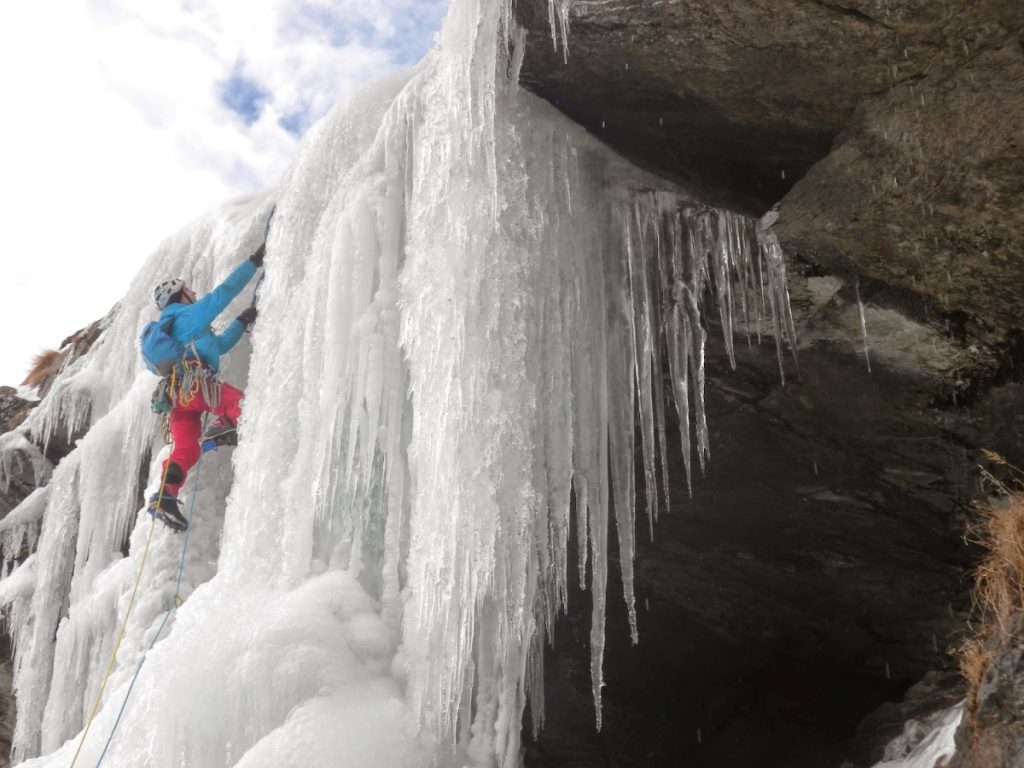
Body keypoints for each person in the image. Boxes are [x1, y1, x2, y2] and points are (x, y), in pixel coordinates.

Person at [147, 244, 264, 530]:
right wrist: (254, 261)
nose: (194, 293)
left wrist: (242, 321)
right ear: (179, 295)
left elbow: (220, 345)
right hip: (196, 386)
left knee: (186, 448)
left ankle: (165, 496)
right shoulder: (185, 315)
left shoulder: (184, 329)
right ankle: (222, 426)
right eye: (189, 290)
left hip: (178, 398)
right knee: (240, 405)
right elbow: (223, 293)